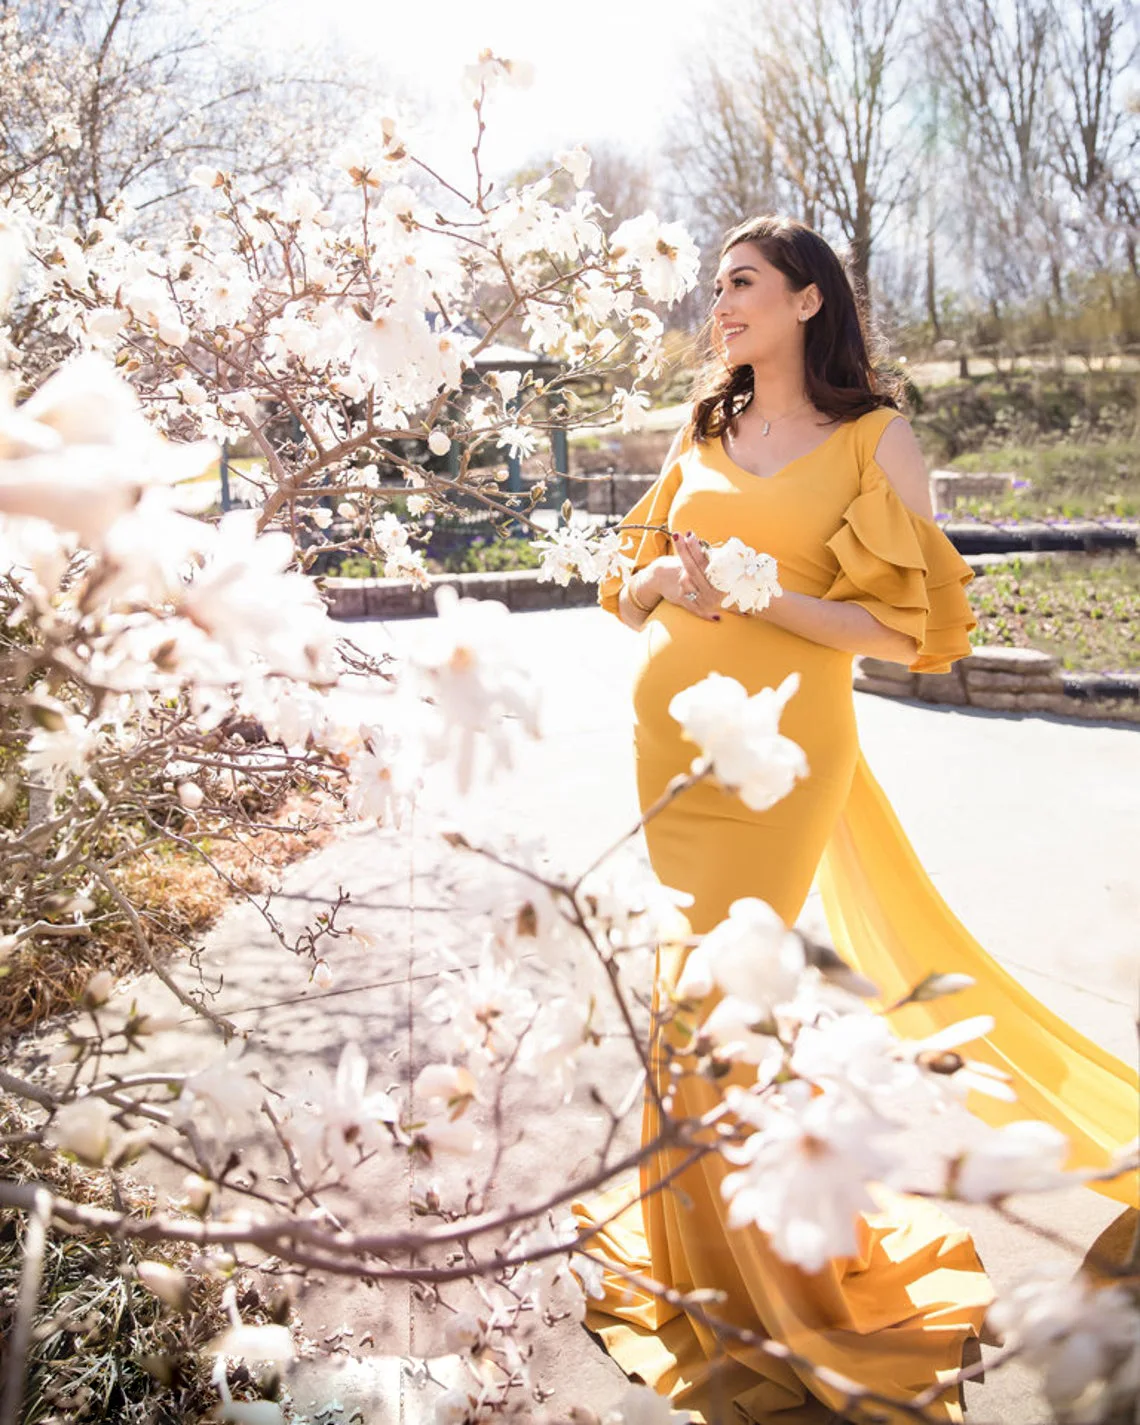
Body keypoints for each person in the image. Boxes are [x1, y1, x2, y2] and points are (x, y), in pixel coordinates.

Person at [569, 215, 1138, 1425]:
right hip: (667, 751)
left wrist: (765, 588)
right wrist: (664, 579)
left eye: (740, 284)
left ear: (807, 301)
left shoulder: (879, 440)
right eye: (716, 287)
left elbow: (909, 634)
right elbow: (628, 580)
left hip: (784, 757)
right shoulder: (707, 425)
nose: (717, 305)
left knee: (730, 999)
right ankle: (698, 1262)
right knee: (681, 1002)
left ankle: (773, 1275)